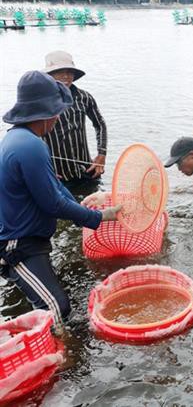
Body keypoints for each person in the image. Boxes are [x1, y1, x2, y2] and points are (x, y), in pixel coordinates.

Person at [0, 71, 121, 326]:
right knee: (56, 309)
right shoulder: (31, 147)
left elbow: (54, 187)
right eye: (56, 111)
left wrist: (78, 207)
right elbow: (52, 204)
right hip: (17, 245)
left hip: (31, 238)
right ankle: (62, 362)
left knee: (54, 303)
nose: (57, 117)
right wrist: (98, 217)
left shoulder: (20, 139)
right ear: (43, 113)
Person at [42, 50, 108, 192]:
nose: (66, 76)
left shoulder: (84, 97)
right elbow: (31, 138)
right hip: (58, 177)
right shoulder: (42, 102)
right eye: (60, 72)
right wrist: (42, 171)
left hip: (87, 170)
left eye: (69, 72)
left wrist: (101, 155)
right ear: (50, 76)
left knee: (94, 207)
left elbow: (100, 124)